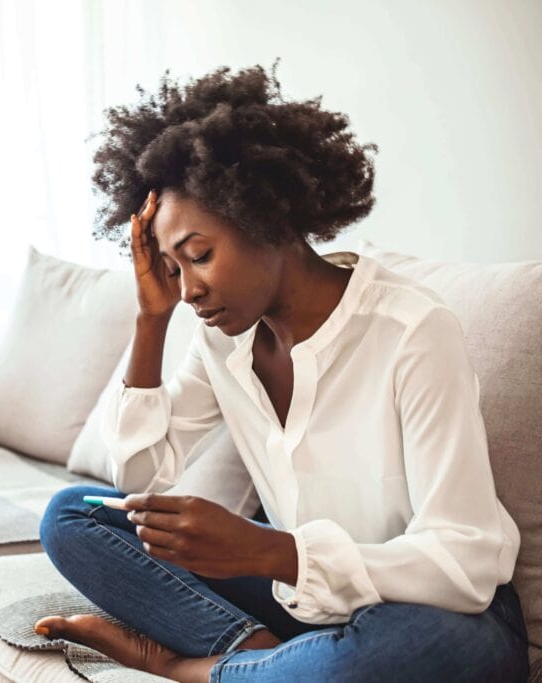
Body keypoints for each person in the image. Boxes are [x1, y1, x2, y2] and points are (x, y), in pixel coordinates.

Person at [33, 61, 530, 682]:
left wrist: (271, 549)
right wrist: (150, 321)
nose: (188, 289)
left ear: (268, 216)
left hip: (435, 612)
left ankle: (195, 669)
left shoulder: (411, 332)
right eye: (171, 269)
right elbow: (140, 479)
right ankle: (261, 657)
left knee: (400, 648)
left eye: (200, 256)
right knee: (74, 515)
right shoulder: (223, 341)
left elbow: (467, 560)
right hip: (299, 596)